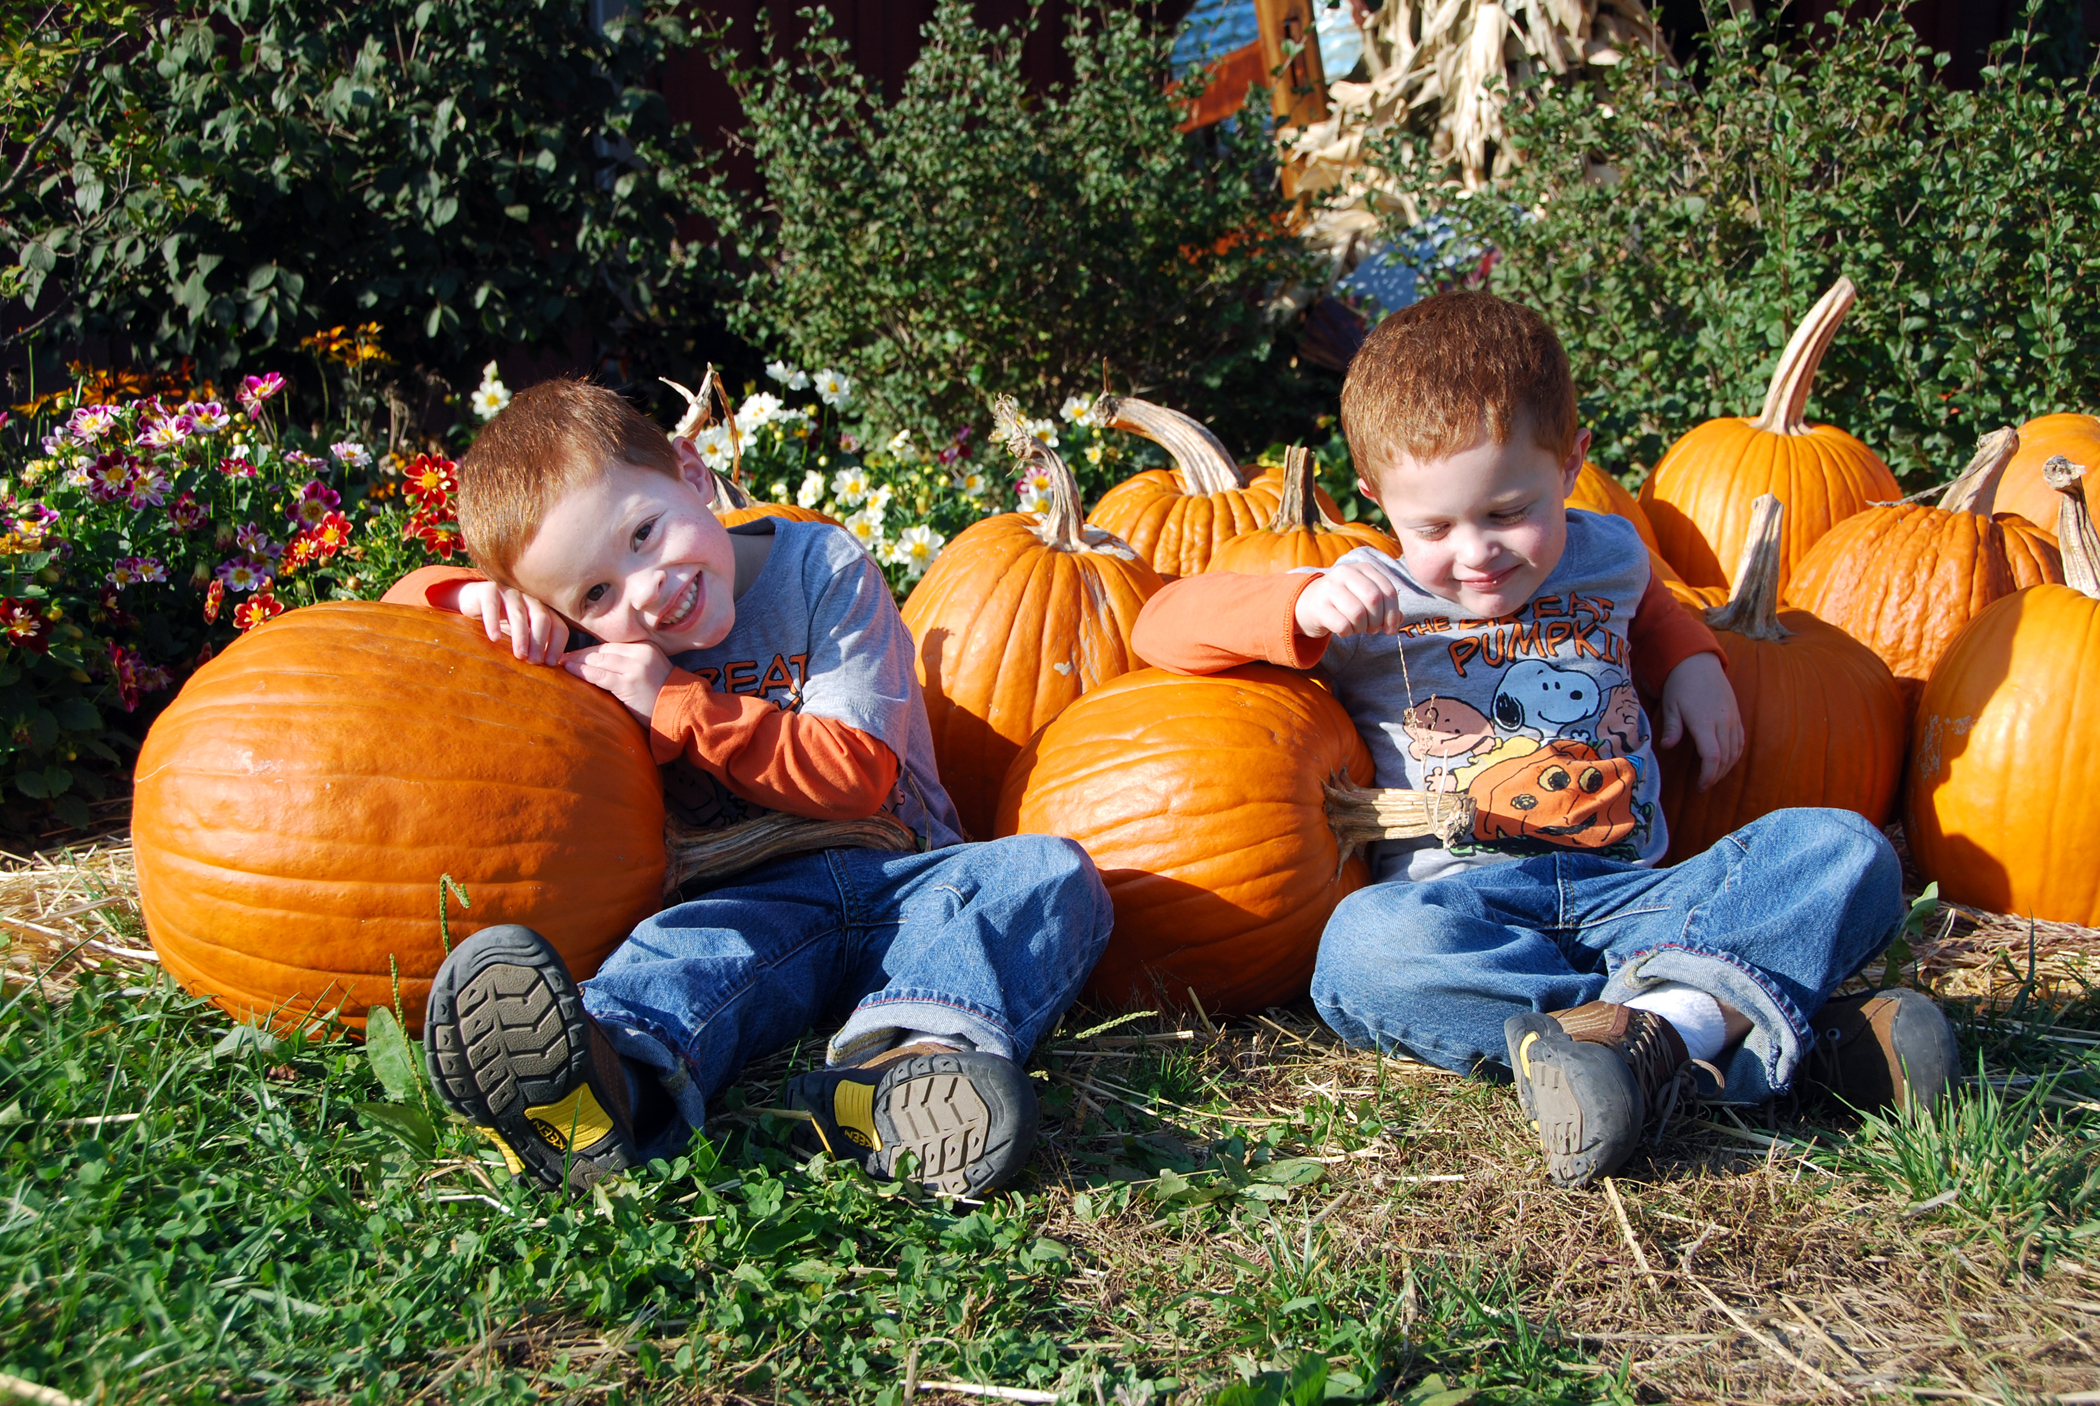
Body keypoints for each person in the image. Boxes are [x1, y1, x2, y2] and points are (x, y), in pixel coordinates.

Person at [1130, 291, 1956, 1188]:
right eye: (1434, 527)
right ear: (1375, 496)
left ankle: (1645, 1042)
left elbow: (1650, 608)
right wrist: (1290, 605)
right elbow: (1160, 627)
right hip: (1469, 913)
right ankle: (1718, 1027)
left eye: (1508, 510)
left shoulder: (1608, 552)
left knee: (1843, 847)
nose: (1476, 552)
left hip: (1638, 898)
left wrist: (1694, 664)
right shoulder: (1362, 595)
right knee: (1363, 953)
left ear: (1572, 464)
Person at [384, 379, 1112, 1197]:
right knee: (677, 958)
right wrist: (470, 600)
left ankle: (903, 1075)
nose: (645, 588)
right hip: (745, 902)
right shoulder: (599, 650)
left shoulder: (822, 569)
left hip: (910, 876)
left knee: (1048, 874)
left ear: (692, 474)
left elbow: (857, 775)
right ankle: (598, 1093)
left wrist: (674, 699)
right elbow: (405, 636)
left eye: (645, 533)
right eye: (595, 593)